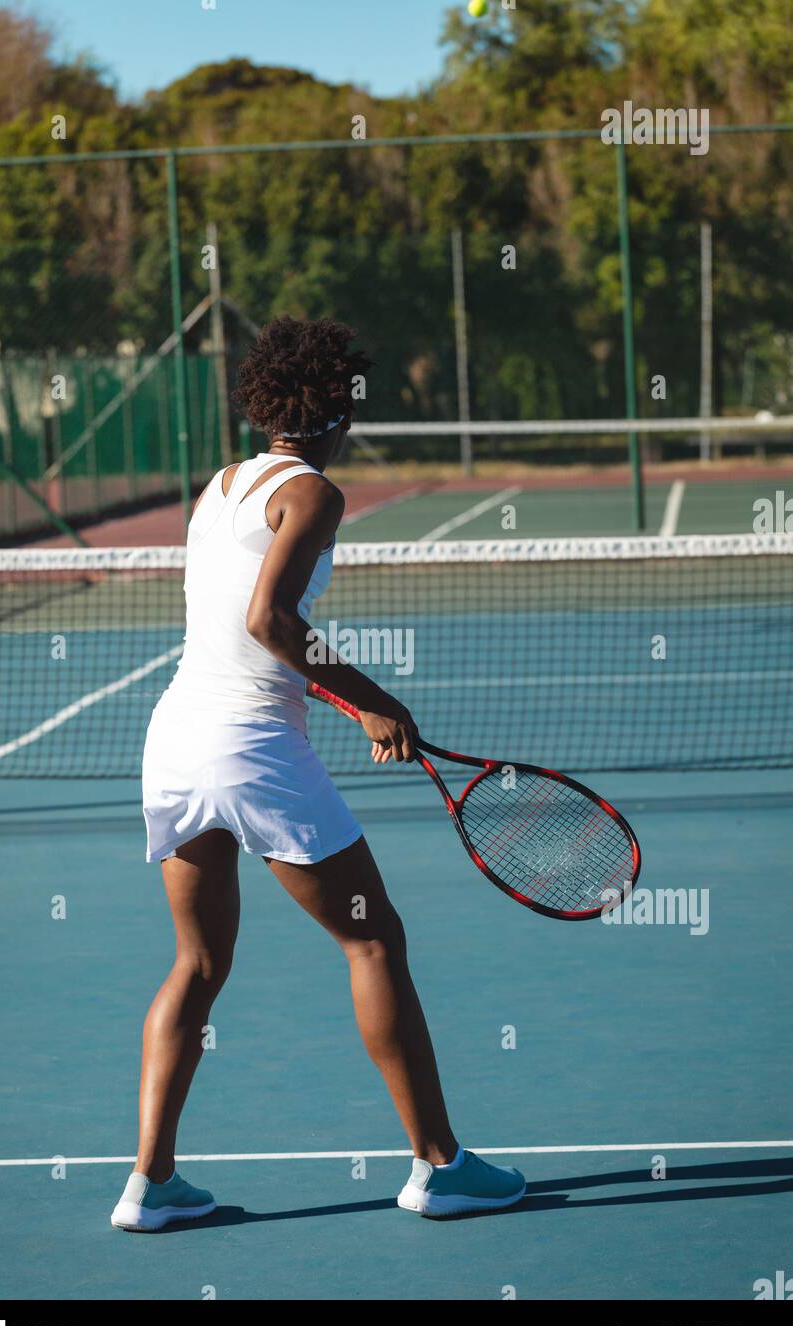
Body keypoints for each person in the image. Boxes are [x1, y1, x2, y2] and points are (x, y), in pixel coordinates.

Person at [110, 316, 525, 1231]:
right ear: (335, 406)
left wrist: (335, 698)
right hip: (251, 750)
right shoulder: (317, 493)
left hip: (175, 743)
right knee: (374, 943)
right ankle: (439, 1166)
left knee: (198, 962)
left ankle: (150, 1184)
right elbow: (269, 620)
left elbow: (242, 630)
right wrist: (376, 700)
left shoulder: (221, 486)